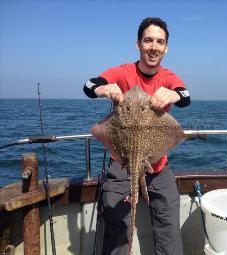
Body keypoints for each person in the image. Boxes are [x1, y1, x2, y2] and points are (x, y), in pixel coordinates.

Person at [83, 17, 190, 255]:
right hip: (122, 165)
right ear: (138, 44)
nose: (154, 46)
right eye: (148, 40)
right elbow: (89, 84)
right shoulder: (122, 72)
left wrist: (174, 96)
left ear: (166, 47)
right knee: (118, 227)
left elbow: (186, 94)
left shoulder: (169, 77)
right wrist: (102, 89)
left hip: (158, 167)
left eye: (160, 42)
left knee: (169, 230)